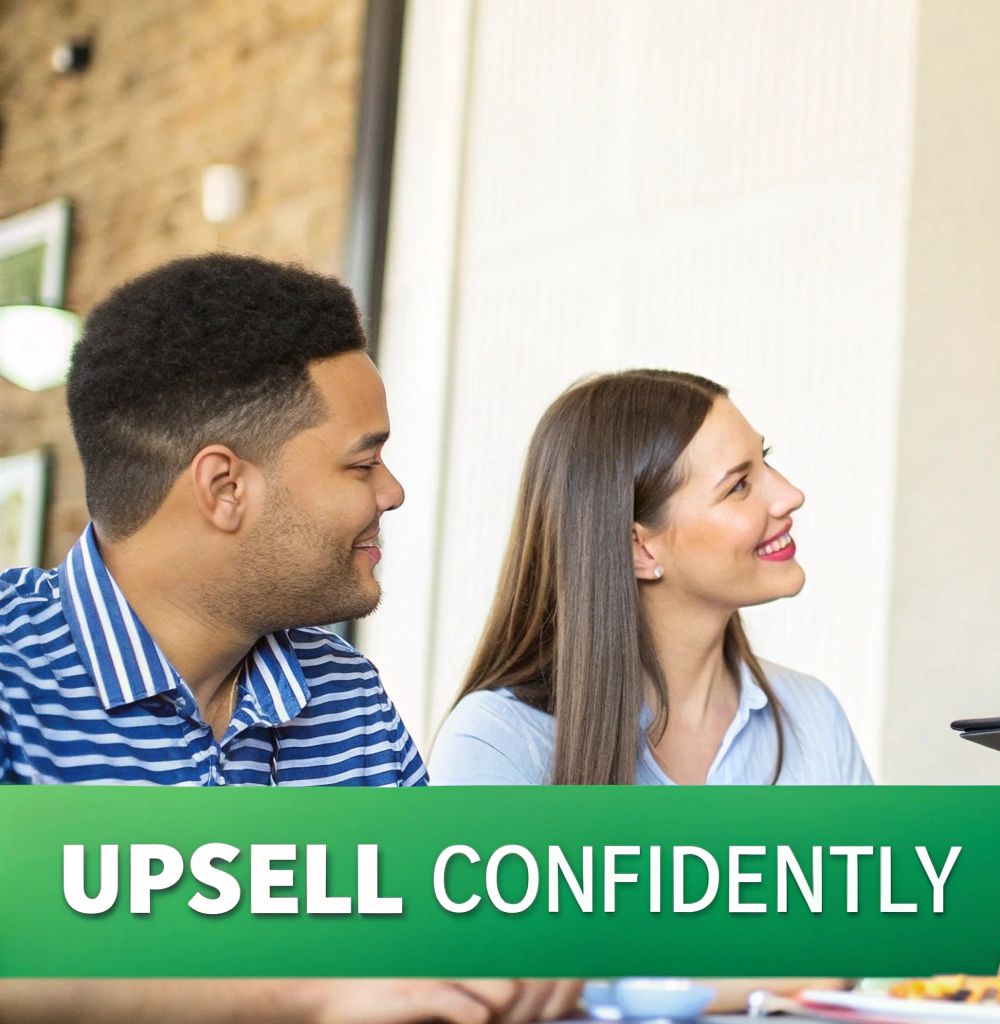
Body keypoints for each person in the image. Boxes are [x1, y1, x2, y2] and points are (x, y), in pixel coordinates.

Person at [0, 254, 580, 1023]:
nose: (393, 491)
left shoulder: (346, 694)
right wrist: (306, 987)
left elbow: (436, 934)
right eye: (363, 463)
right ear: (224, 488)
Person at [430, 369, 870, 787]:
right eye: (738, 485)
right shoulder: (498, 741)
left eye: (765, 461)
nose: (791, 495)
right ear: (639, 548)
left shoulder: (813, 717)